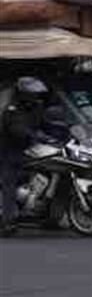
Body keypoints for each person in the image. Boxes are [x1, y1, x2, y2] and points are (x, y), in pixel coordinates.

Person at [0, 77, 48, 236]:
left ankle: (50, 214)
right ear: (23, 94)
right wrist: (32, 136)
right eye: (32, 93)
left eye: (37, 94)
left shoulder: (37, 107)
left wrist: (61, 132)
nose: (36, 96)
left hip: (31, 149)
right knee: (9, 184)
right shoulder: (12, 109)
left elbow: (46, 124)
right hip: (11, 151)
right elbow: (16, 129)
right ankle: (8, 222)